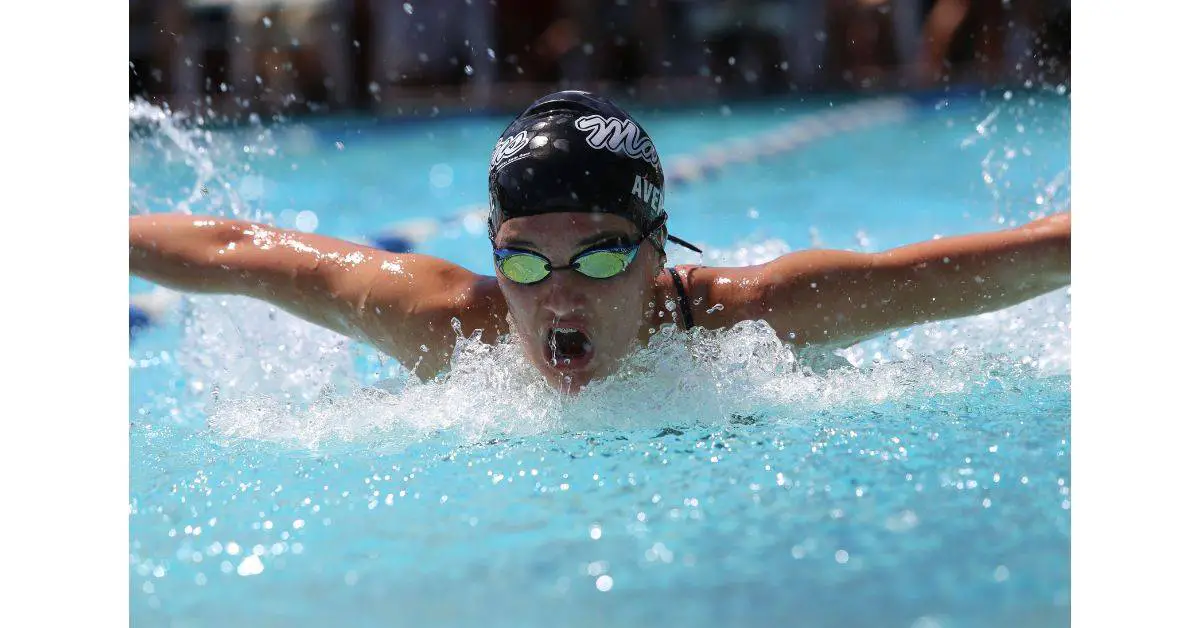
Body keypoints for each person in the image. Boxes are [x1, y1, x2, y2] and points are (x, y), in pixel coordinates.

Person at [129, 90, 1070, 394]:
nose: (559, 296)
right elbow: (233, 251)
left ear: (661, 251)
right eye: (525, 261)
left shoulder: (752, 322)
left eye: (605, 254)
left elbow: (996, 267)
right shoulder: (454, 328)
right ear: (495, 251)